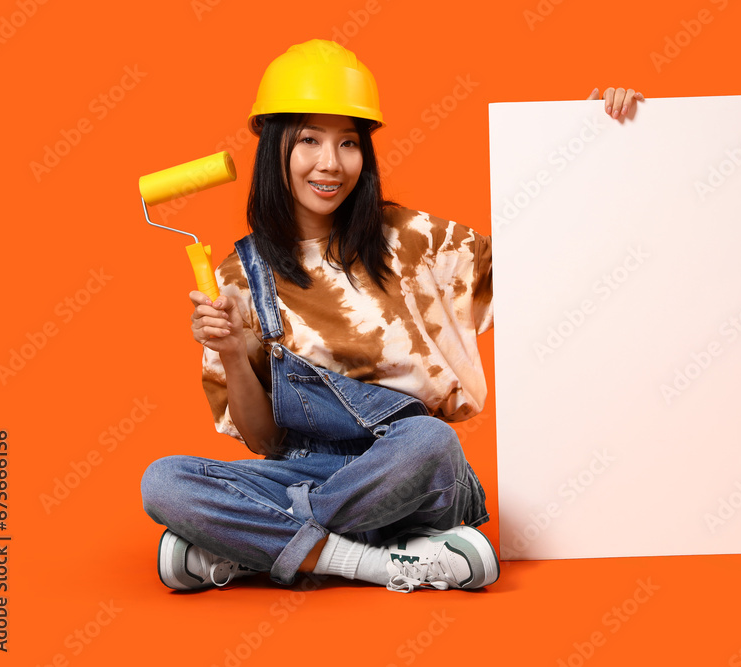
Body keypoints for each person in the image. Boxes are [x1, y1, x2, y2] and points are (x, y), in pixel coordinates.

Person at [140, 39, 643, 593]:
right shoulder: (242, 274)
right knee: (164, 481)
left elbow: (540, 273)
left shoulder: (412, 240)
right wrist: (234, 352)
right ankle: (385, 561)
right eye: (309, 139)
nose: (330, 163)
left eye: (348, 143)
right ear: (275, 146)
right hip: (304, 471)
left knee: (430, 441)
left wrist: (588, 146)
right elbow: (263, 441)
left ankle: (254, 548)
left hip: (408, 472)